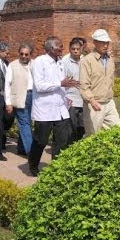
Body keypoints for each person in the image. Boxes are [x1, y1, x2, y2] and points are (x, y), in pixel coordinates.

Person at [28, 36, 79, 177]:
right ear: (51, 48)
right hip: (44, 109)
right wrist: (60, 83)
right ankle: (33, 165)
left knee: (62, 140)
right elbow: (39, 86)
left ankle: (56, 168)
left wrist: (66, 96)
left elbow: (62, 84)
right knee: (41, 140)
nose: (62, 48)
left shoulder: (60, 63)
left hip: (60, 108)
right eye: (59, 46)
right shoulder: (39, 62)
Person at [79, 29, 120, 135]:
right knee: (92, 134)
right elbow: (84, 85)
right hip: (94, 103)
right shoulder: (87, 61)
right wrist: (92, 100)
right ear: (95, 42)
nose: (105, 45)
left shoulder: (110, 59)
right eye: (102, 42)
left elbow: (111, 80)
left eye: (107, 42)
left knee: (117, 130)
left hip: (109, 102)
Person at [5, 43, 34, 156]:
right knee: (24, 123)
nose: (23, 56)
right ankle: (31, 152)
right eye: (21, 54)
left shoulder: (35, 64)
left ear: (30, 55)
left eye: (26, 54)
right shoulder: (12, 65)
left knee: (28, 122)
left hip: (32, 96)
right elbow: (7, 84)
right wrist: (8, 102)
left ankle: (22, 148)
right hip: (19, 97)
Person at [61, 37, 85, 142]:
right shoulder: (65, 62)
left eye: (77, 49)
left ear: (81, 49)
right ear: (70, 49)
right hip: (71, 99)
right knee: (71, 128)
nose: (75, 51)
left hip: (83, 99)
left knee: (82, 127)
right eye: (73, 49)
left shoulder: (85, 61)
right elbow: (62, 81)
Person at [0, 41, 14, 150]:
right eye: (6, 53)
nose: (8, 55)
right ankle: (0, 141)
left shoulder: (6, 63)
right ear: (0, 51)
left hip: (7, 95)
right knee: (0, 120)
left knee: (9, 118)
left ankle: (2, 137)